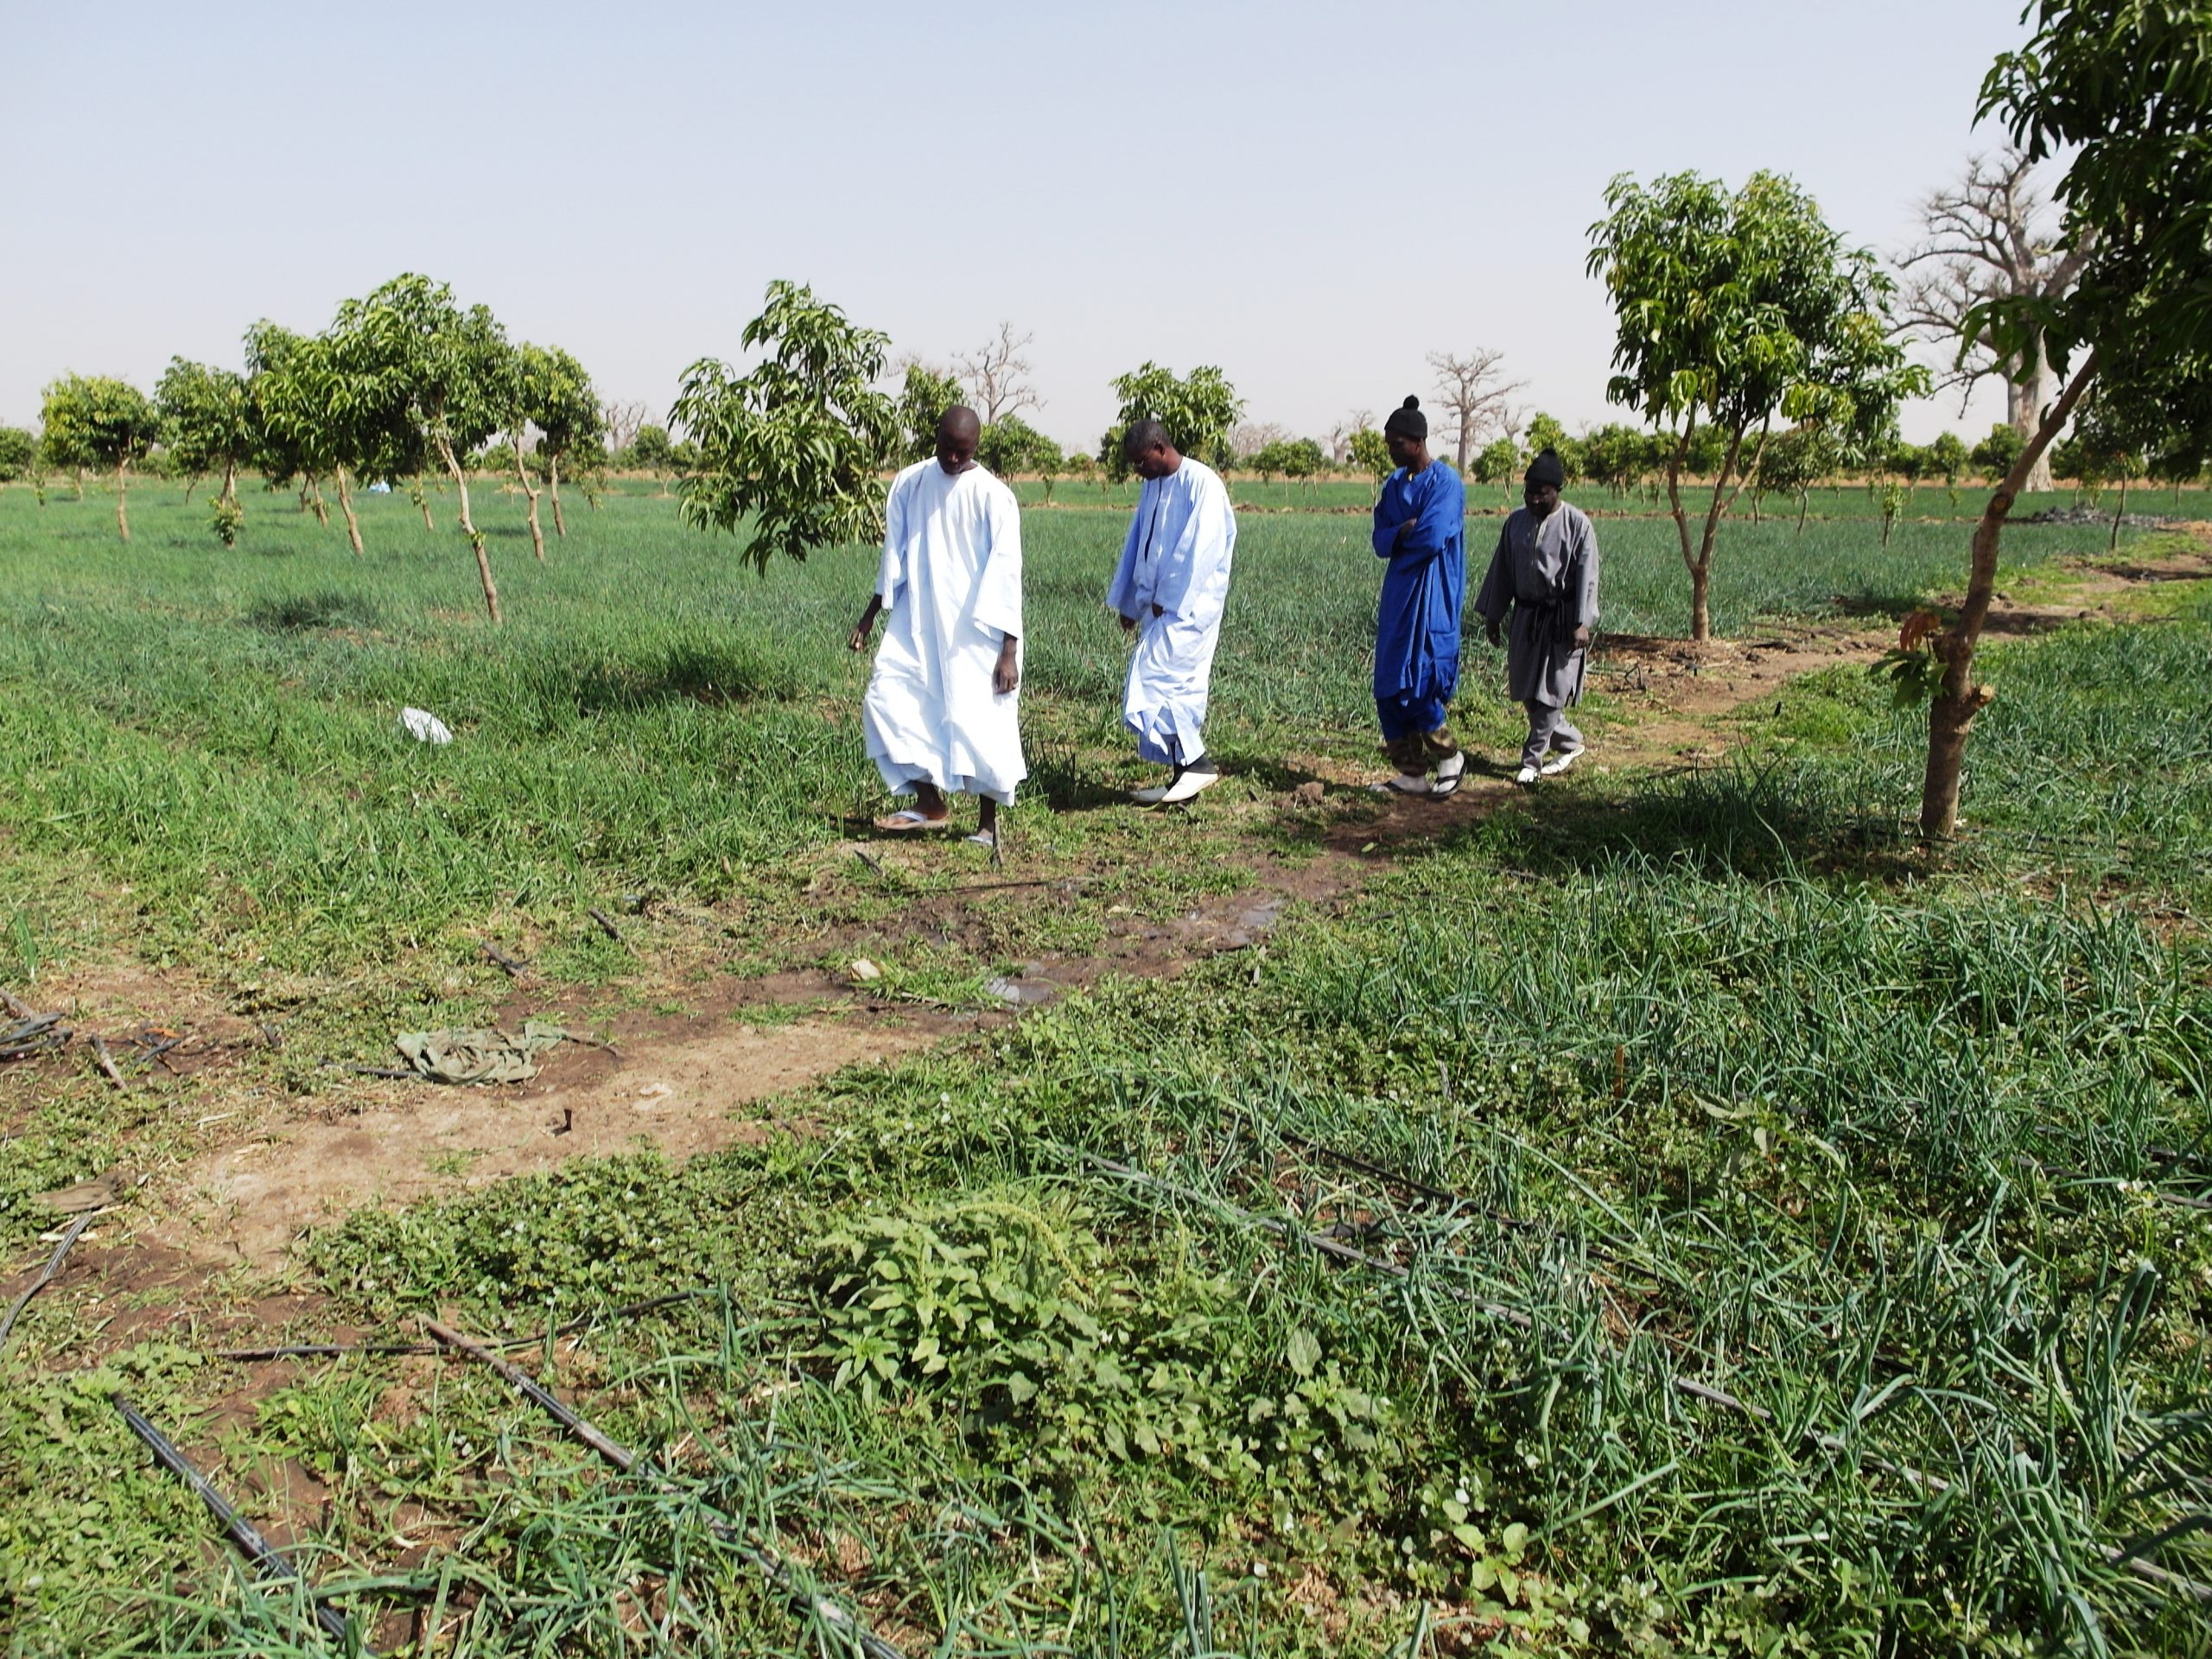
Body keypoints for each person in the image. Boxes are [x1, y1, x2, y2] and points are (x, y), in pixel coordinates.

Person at [848, 406, 1024, 846]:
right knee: (887, 699)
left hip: (976, 633)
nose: (951, 460)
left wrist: (1008, 652)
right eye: (946, 448)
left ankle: (987, 825)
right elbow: (895, 556)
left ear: (976, 448)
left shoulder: (993, 496)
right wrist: (870, 616)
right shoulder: (911, 482)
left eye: (961, 452)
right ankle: (930, 803)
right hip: (919, 621)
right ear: (936, 438)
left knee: (980, 722)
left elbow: (1007, 575)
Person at [1105, 419, 1236, 804]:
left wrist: (1169, 597)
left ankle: (1197, 763)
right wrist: (1131, 603)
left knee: (1154, 683)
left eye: (1141, 462)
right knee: (1171, 689)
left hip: (1188, 611)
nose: (1138, 471)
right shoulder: (1153, 485)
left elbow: (1199, 552)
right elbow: (1139, 545)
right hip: (1158, 609)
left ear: (1161, 449)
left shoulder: (1203, 484)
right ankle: (1184, 778)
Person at [1473, 447, 1599, 785]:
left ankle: (1532, 760)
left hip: (1562, 621)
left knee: (1552, 692)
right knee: (1528, 692)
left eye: (1541, 494)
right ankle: (1571, 743)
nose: (1533, 500)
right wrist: (1493, 616)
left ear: (1557, 491)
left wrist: (1582, 622)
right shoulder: (1515, 522)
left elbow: (1588, 577)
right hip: (1526, 618)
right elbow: (1501, 570)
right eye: (1528, 493)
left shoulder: (1578, 525)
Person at [1369, 396, 1468, 797]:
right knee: (1389, 684)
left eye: (1397, 444)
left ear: (1417, 441)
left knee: (1421, 680)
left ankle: (1450, 758)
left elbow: (1431, 537)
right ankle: (1411, 772)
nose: (1391, 451)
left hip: (1433, 592)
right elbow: (1380, 539)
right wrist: (1402, 532)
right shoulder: (1393, 485)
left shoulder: (1447, 483)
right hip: (1399, 593)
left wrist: (1405, 535)